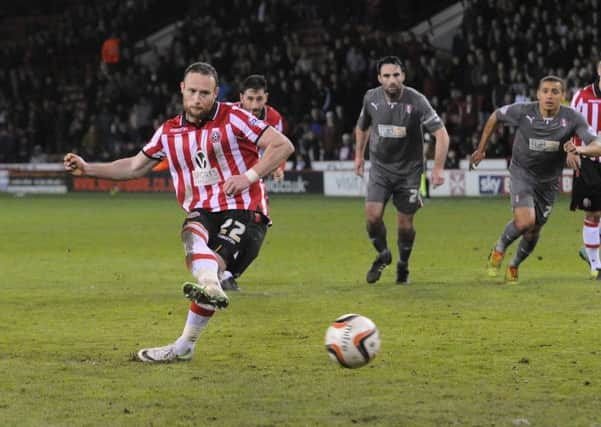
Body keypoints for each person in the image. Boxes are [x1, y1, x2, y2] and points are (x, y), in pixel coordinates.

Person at [64, 62, 294, 363]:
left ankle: (210, 286)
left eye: (205, 93)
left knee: (212, 262)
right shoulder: (169, 131)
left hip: (244, 210)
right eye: (193, 92)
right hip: (203, 210)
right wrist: (88, 168)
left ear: (216, 94)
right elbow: (134, 166)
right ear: (182, 90)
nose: (198, 99)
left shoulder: (234, 117)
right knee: (191, 234)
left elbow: (282, 145)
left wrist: (248, 177)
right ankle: (187, 340)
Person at [470, 75, 601, 283]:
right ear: (538, 94)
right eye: (545, 91)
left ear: (563, 96)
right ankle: (499, 249)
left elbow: (597, 144)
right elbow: (496, 116)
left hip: (548, 182)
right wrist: (481, 149)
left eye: (555, 92)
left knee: (534, 230)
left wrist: (579, 149)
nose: (549, 96)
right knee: (525, 221)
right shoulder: (524, 112)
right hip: (522, 173)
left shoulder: (572, 118)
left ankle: (514, 265)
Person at [354, 56, 450, 285]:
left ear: (403, 76)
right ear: (380, 79)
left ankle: (403, 265)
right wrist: (359, 155)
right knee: (372, 217)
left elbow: (442, 135)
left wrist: (438, 168)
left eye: (396, 75)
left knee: (405, 225)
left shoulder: (417, 101)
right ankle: (383, 254)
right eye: (386, 76)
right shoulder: (371, 98)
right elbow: (362, 127)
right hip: (380, 169)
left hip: (409, 172)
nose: (392, 80)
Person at [219, 74, 286, 291]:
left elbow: (278, 147)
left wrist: (279, 167)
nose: (255, 105)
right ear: (241, 97)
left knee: (256, 231)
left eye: (259, 99)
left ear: (266, 97)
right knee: (223, 226)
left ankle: (228, 274)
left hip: (253, 178)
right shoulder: (229, 113)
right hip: (227, 178)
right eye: (250, 99)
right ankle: (215, 271)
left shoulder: (274, 117)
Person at [568, 61, 601, 278]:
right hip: (588, 160)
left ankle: (591, 254)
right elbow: (568, 123)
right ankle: (595, 266)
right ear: (598, 71)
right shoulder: (582, 96)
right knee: (594, 212)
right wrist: (570, 151)